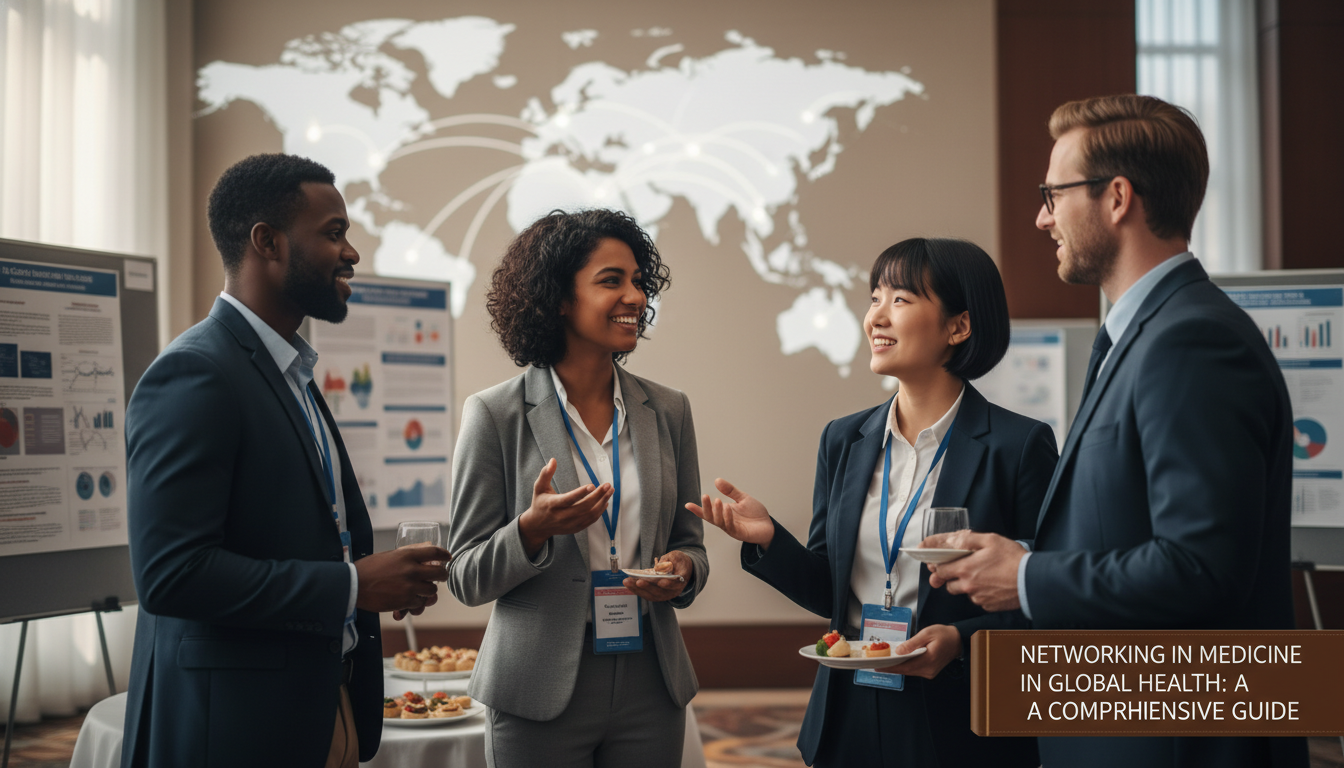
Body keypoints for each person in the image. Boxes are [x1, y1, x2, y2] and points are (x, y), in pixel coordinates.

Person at [926, 95, 1309, 767]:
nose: (1042, 216)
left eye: (1053, 193)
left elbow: (1201, 567)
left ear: (1118, 198)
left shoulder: (1190, 341)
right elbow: (1131, 530)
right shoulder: (1151, 334)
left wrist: (1027, 577)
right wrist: (1013, 555)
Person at [121, 154, 450, 768]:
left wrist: (369, 585)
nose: (351, 253)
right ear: (266, 243)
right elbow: (172, 574)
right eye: (333, 233)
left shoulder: (290, 372)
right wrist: (354, 586)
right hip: (238, 728)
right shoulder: (196, 372)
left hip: (323, 702)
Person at [688, 238, 1056, 768]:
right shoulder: (845, 439)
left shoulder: (1018, 446)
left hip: (959, 720)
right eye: (874, 297)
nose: (876, 318)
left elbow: (1046, 596)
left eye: (901, 300)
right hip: (849, 715)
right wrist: (770, 540)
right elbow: (831, 589)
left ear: (959, 326)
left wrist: (960, 641)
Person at [446, 209, 708, 768]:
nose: (635, 296)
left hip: (650, 680)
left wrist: (682, 571)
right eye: (611, 280)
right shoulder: (493, 414)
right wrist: (531, 530)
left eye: (639, 280)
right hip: (537, 688)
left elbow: (691, 545)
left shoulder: (668, 410)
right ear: (558, 299)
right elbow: (464, 574)